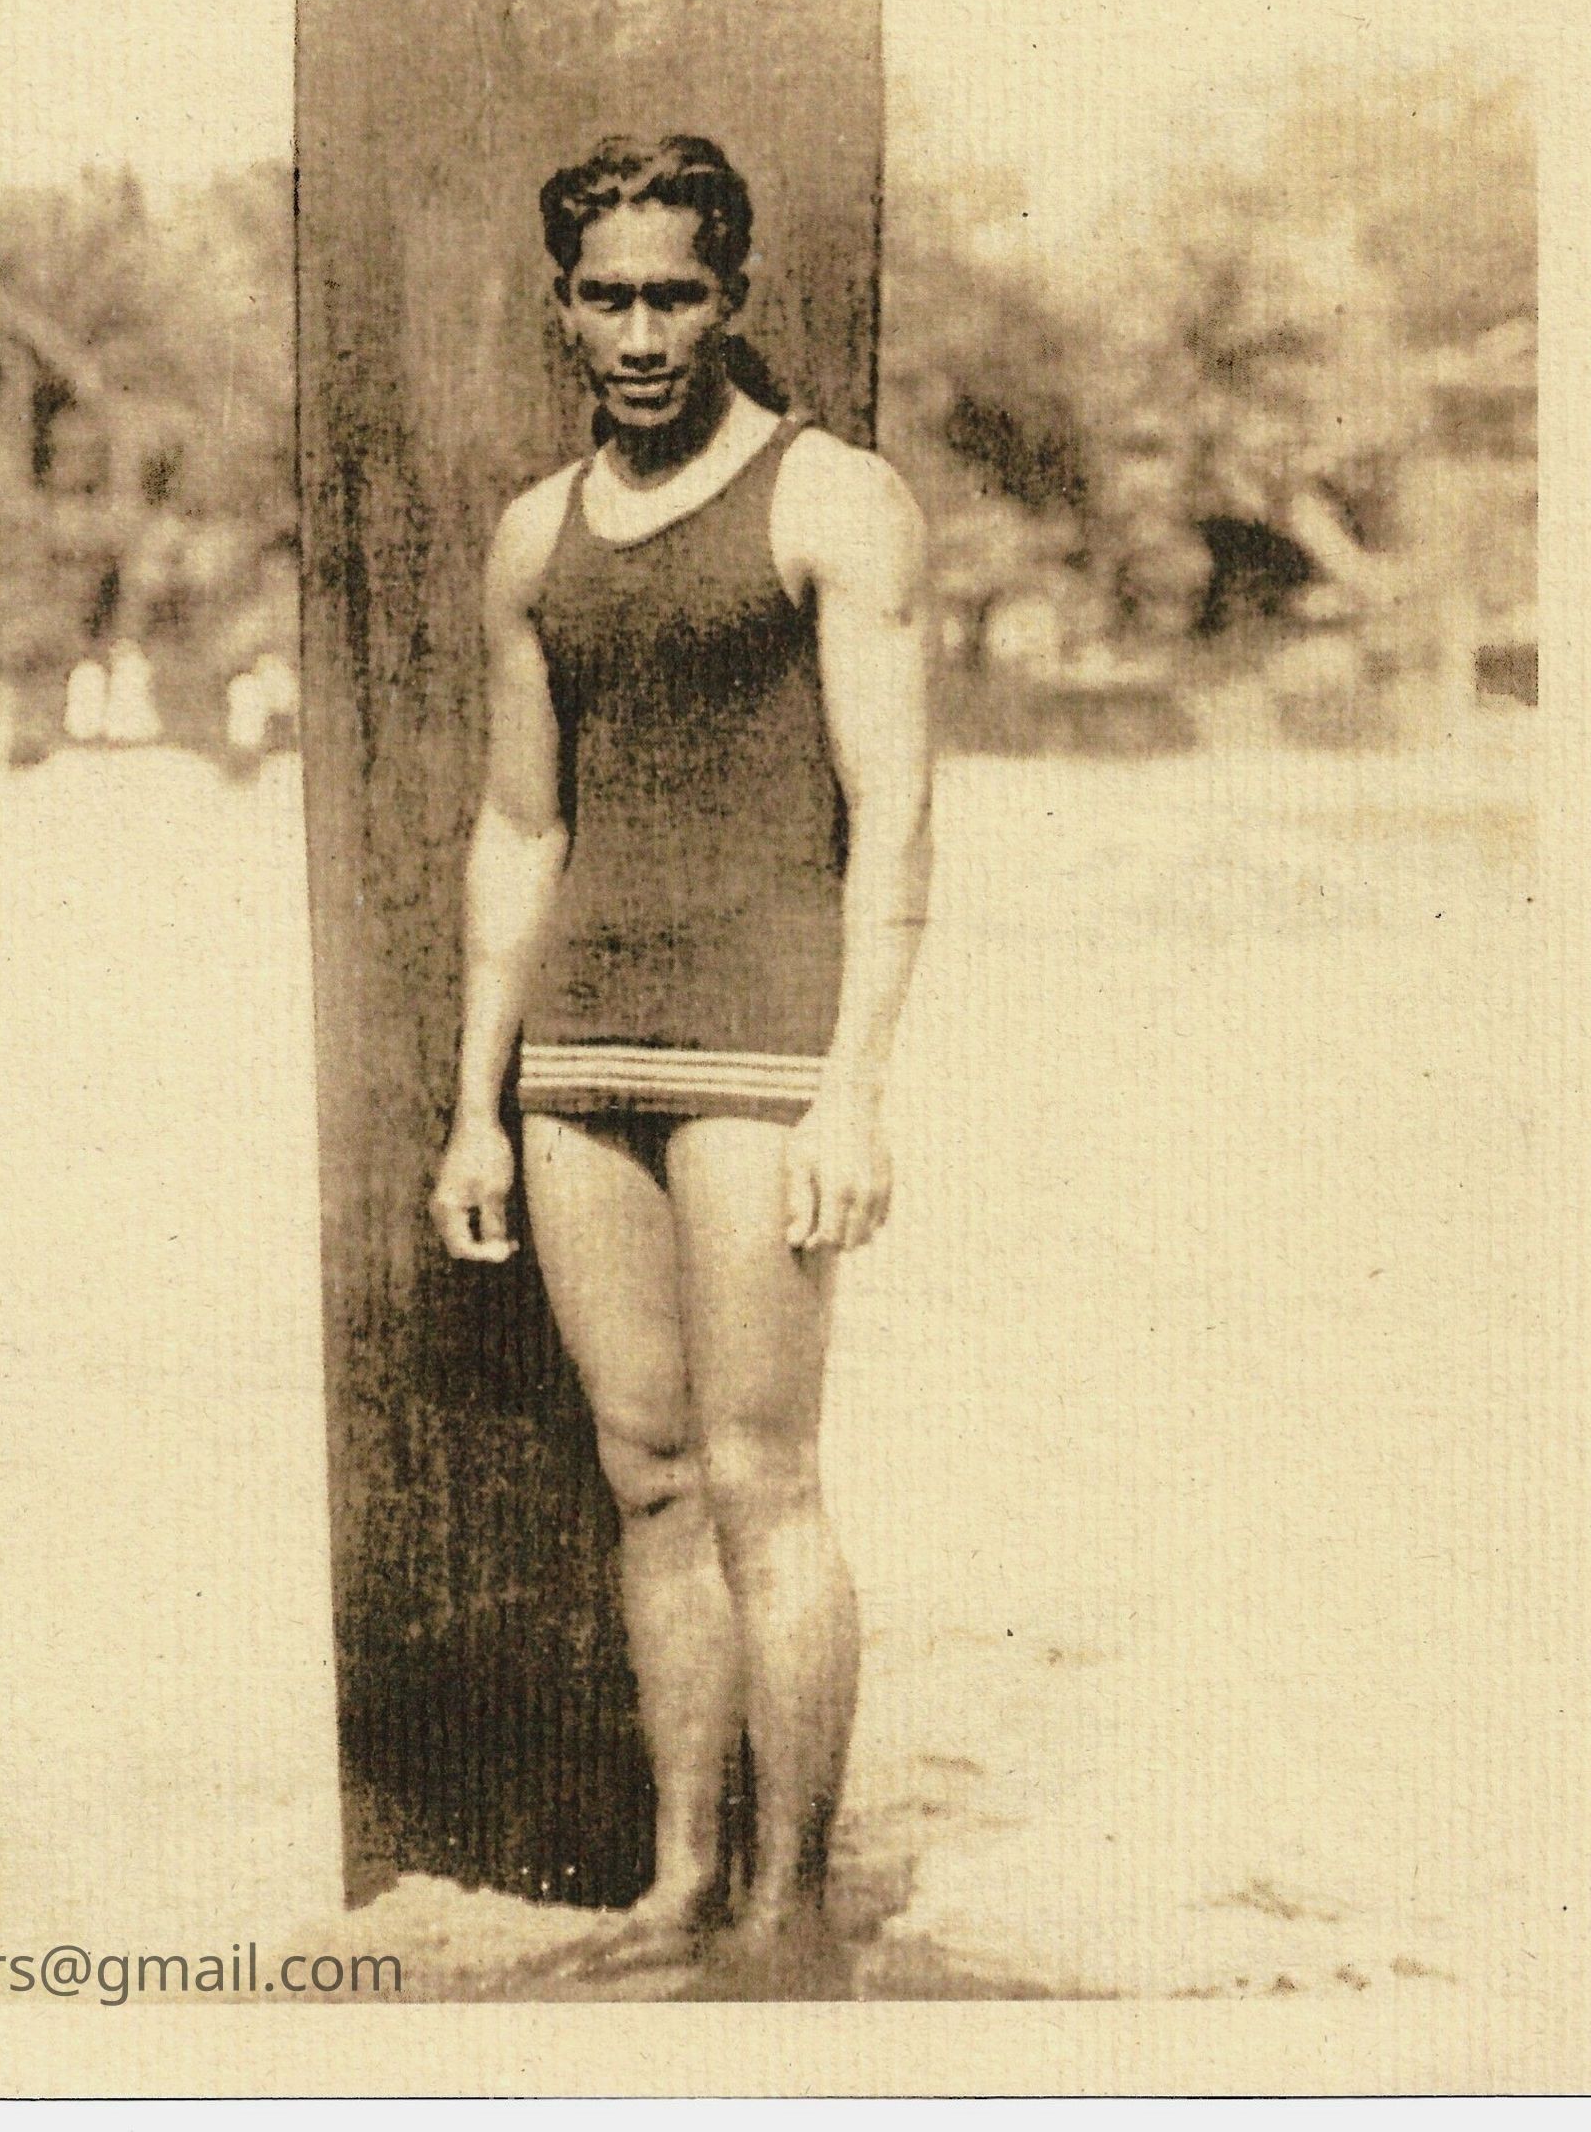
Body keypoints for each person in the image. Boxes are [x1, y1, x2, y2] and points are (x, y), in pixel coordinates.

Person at [428, 132, 934, 1996]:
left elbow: (895, 815)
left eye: (675, 296)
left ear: (730, 298)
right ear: (562, 307)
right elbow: (518, 828)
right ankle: (677, 1886)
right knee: (645, 1477)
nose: (640, 334)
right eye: (607, 298)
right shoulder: (533, 538)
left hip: (759, 1051)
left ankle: (789, 1915)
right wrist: (476, 1109)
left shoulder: (836, 501)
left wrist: (854, 1088)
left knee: (758, 1478)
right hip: (578, 1059)